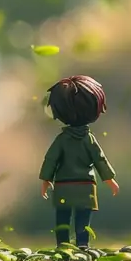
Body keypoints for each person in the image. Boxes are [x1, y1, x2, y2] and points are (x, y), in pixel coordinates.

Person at [39, 75, 119, 249]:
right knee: (83, 217)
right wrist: (109, 179)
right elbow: (99, 159)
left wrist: (46, 179)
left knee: (62, 217)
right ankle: (83, 244)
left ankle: (63, 245)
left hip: (63, 185)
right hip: (85, 186)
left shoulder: (62, 139)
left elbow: (51, 159)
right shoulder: (89, 139)